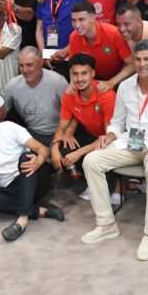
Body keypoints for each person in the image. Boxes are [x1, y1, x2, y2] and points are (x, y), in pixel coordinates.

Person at [80, 40, 148, 261]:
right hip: (131, 143)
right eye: (138, 59)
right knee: (91, 161)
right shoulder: (125, 86)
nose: (142, 64)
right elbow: (117, 122)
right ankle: (106, 224)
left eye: (147, 59)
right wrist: (110, 135)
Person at [0, 101, 62, 241]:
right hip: (11, 191)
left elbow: (43, 149)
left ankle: (22, 219)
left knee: (26, 157)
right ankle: (38, 210)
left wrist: (39, 160)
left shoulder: (10, 127)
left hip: (32, 178)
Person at [49, 54, 117, 202]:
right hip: (90, 135)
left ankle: (106, 184)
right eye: (75, 74)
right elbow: (62, 126)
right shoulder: (69, 94)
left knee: (84, 153)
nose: (79, 78)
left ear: (93, 73)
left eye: (84, 73)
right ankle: (81, 178)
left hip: (110, 139)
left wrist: (78, 153)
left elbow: (109, 137)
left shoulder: (106, 95)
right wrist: (54, 148)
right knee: (63, 146)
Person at [51, 1, 133, 88]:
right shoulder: (74, 37)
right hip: (91, 82)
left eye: (81, 20)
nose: (77, 25)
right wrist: (72, 84)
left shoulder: (114, 33)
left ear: (93, 18)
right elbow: (73, 67)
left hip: (116, 81)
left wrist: (111, 82)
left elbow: (132, 64)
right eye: (73, 20)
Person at [3, 48, 67, 146]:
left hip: (59, 133)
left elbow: (72, 114)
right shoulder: (12, 85)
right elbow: (2, 113)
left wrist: (63, 136)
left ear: (41, 62)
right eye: (21, 65)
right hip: (31, 133)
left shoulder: (58, 82)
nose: (25, 70)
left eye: (29, 65)